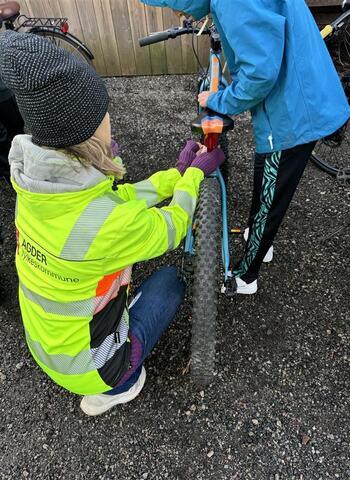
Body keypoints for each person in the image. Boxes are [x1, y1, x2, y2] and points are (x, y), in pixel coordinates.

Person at [0, 30, 224, 416]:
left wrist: (175, 173)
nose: (111, 123)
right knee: (171, 282)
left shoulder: (36, 192)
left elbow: (115, 201)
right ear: (85, 134)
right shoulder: (107, 225)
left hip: (46, 351)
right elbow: (172, 225)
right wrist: (195, 177)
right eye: (105, 117)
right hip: (97, 371)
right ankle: (120, 387)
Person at [140, 0, 350, 294]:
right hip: (302, 91)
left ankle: (246, 276)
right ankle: (258, 237)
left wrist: (219, 101)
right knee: (269, 182)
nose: (181, 14)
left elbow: (260, 73)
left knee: (270, 191)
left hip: (293, 111)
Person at [0, 78, 24, 182]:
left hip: (4, 93)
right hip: (5, 93)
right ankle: (10, 174)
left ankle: (22, 168)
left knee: (17, 132)